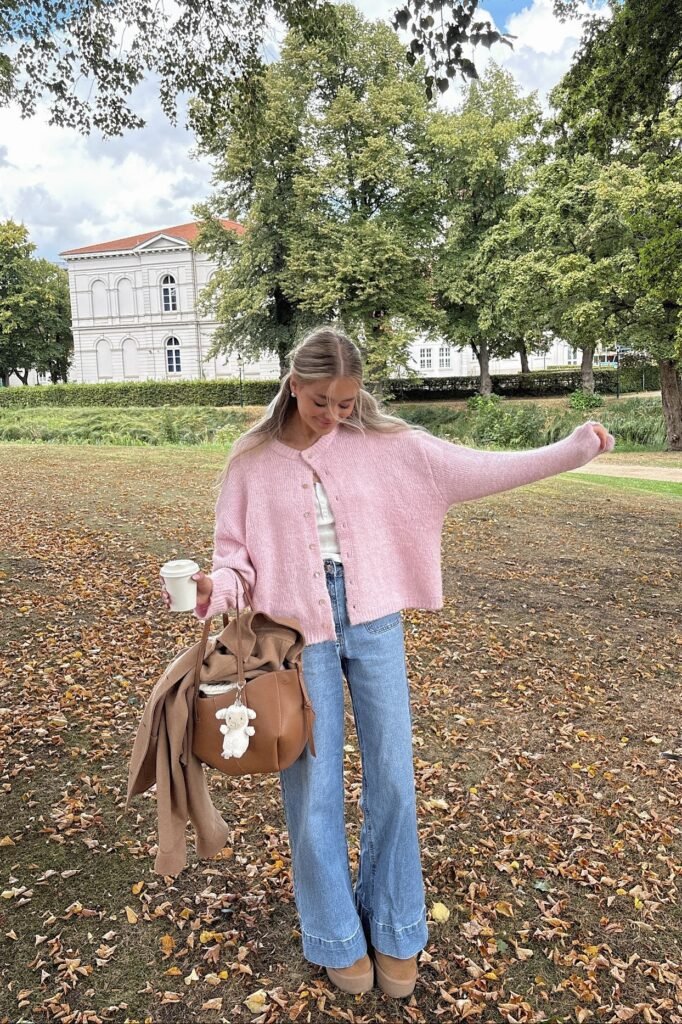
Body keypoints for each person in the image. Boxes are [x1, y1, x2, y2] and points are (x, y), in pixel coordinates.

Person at [161, 325, 614, 999]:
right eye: (321, 401)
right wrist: (212, 590)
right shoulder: (251, 459)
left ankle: (397, 926)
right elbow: (235, 559)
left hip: (374, 622)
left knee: (395, 778)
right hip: (294, 636)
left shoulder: (387, 446)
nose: (334, 414)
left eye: (346, 402)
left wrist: (571, 450)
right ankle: (334, 935)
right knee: (313, 789)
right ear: (294, 385)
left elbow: (479, 469)